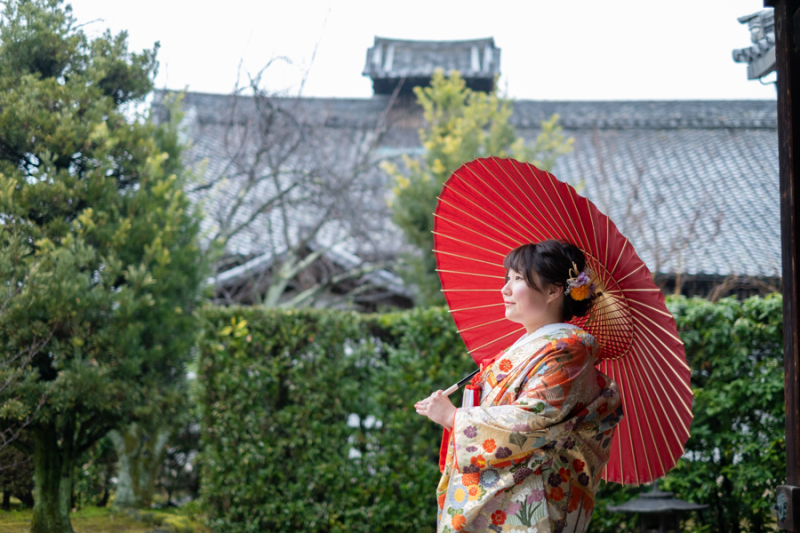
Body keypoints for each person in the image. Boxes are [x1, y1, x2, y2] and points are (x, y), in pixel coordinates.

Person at [415, 240, 623, 533]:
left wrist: (454, 417)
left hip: (531, 497)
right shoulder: (530, 347)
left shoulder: (569, 350)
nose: (505, 289)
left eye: (518, 279)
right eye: (507, 278)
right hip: (506, 489)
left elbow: (534, 417)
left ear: (553, 291)